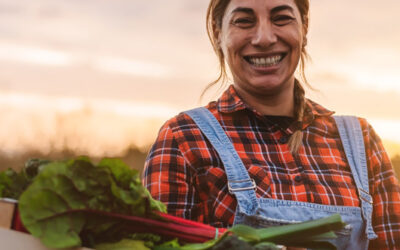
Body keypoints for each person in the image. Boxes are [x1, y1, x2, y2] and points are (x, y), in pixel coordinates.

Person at [142, 0, 400, 249]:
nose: (264, 38)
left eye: (281, 18)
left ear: (304, 28)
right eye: (244, 21)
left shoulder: (361, 142)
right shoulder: (184, 138)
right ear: (218, 33)